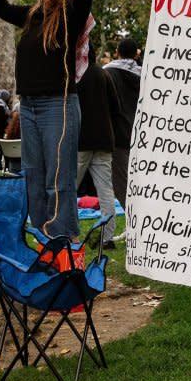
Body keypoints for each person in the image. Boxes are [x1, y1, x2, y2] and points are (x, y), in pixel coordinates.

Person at [0, 0, 96, 240]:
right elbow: (1, 7)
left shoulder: (70, 15)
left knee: (58, 178)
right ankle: (44, 236)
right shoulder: (33, 16)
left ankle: (63, 242)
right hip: (31, 106)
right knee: (33, 176)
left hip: (57, 105)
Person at [76, 49, 120, 249]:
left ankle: (67, 234)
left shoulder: (75, 75)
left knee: (69, 188)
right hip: (104, 139)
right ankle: (107, 237)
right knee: (105, 191)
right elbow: (116, 108)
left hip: (81, 140)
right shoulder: (104, 74)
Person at [104, 38, 141, 211]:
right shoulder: (147, 74)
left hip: (117, 134)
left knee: (121, 181)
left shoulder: (106, 73)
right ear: (136, 53)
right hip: (142, 134)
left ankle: (133, 218)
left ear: (117, 51)